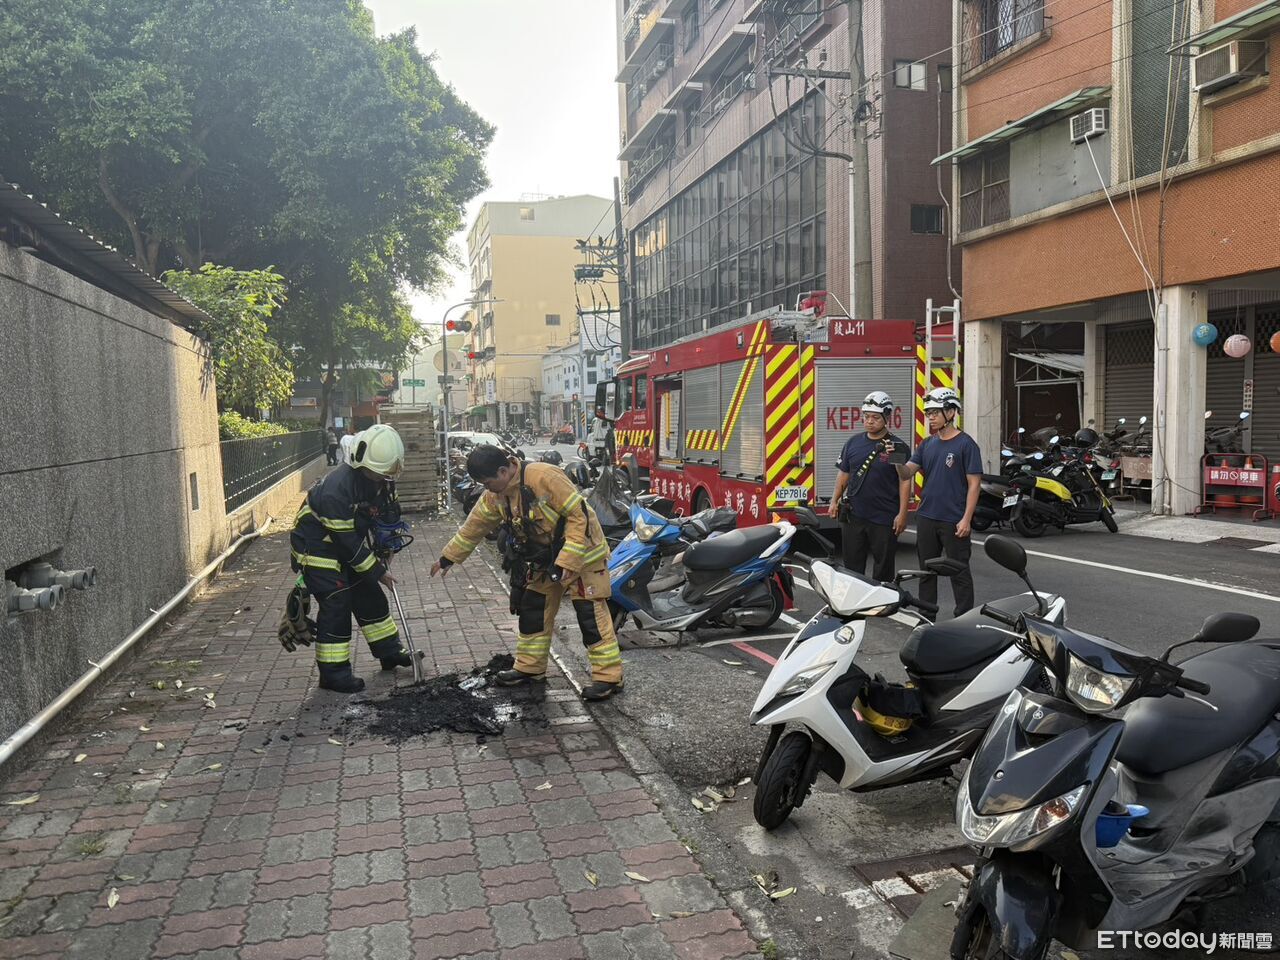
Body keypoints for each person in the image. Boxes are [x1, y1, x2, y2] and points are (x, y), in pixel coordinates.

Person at [430, 444, 622, 701]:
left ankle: (608, 678)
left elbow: (579, 517)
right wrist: (447, 558)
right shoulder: (496, 495)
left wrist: (568, 560)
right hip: (544, 559)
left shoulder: (544, 477)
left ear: (503, 470)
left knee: (591, 617)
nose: (487, 489)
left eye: (488, 483)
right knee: (533, 609)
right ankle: (530, 668)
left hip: (584, 557)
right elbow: (474, 526)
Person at [282, 423, 415, 692]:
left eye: (387, 474)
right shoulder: (336, 490)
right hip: (317, 548)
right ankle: (333, 674)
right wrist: (379, 572)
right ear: (360, 463)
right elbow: (348, 544)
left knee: (370, 596)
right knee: (337, 604)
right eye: (378, 474)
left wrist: (387, 545)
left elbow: (389, 513)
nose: (383, 479)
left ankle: (390, 652)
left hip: (345, 543)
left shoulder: (384, 481)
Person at [889, 387, 981, 616]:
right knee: (926, 571)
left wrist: (966, 519)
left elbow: (974, 485)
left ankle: (963, 617)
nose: (930, 417)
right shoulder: (927, 444)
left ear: (950, 412)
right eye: (928, 413)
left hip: (954, 519)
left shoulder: (966, 444)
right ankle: (926, 616)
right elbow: (906, 474)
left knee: (959, 572)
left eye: (934, 412)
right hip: (927, 517)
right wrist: (896, 459)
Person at [828, 392, 910, 582]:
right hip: (854, 515)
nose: (869, 421)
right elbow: (844, 473)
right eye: (866, 416)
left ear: (887, 417)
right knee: (852, 568)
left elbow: (904, 480)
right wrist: (834, 500)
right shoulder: (853, 443)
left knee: (883, 568)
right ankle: (854, 608)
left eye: (875, 417)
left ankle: (881, 606)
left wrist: (903, 513)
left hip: (884, 517)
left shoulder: (895, 446)